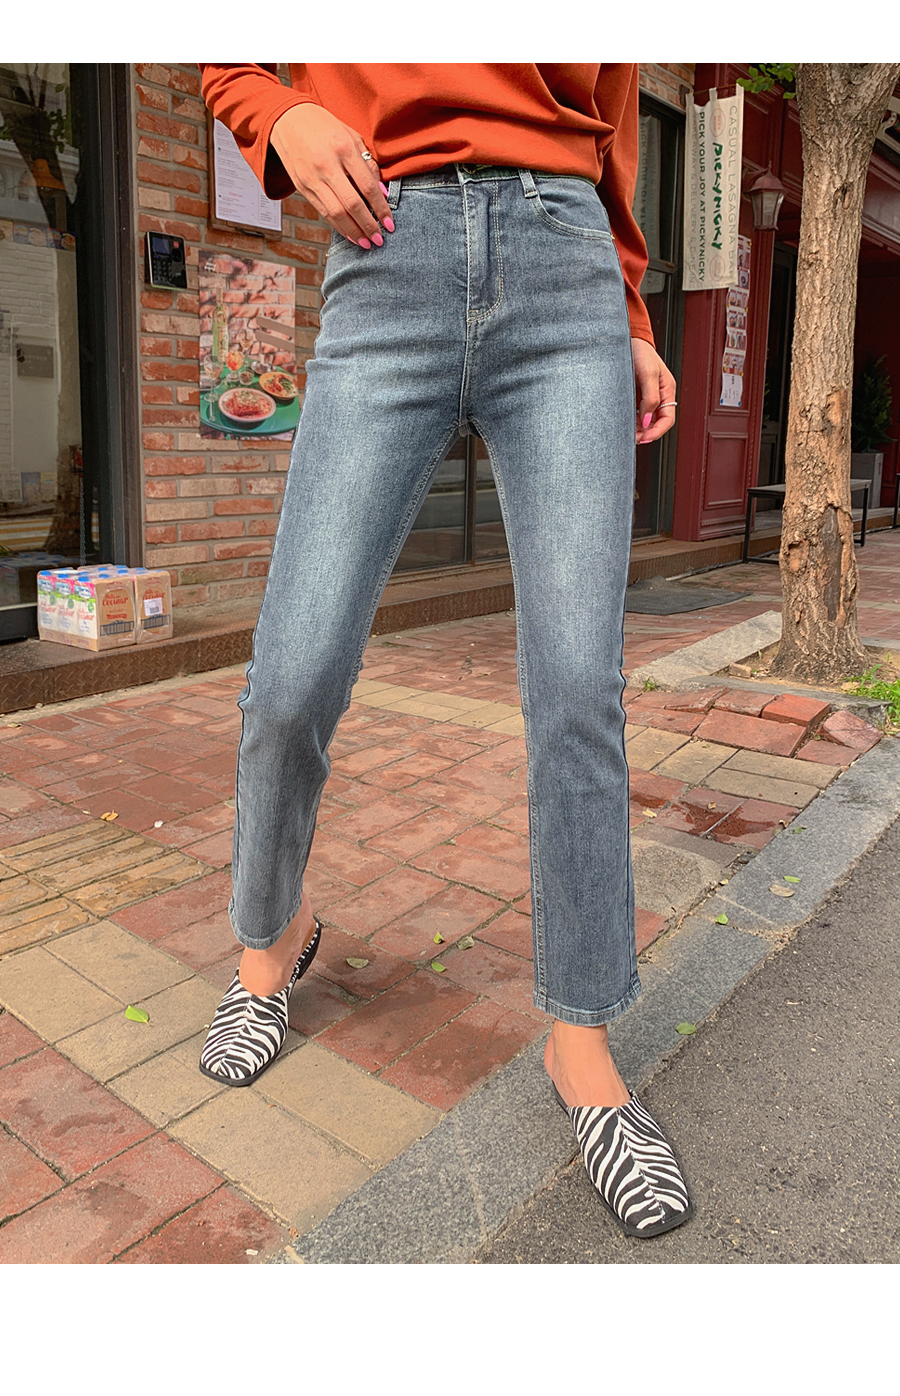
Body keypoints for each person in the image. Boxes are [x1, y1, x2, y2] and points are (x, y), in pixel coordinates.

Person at [197, 63, 691, 1238]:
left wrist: (630, 318)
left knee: (578, 687)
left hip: (566, 264)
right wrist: (281, 113)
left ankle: (581, 1044)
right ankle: (268, 945)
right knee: (291, 675)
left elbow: (615, 119)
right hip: (387, 246)